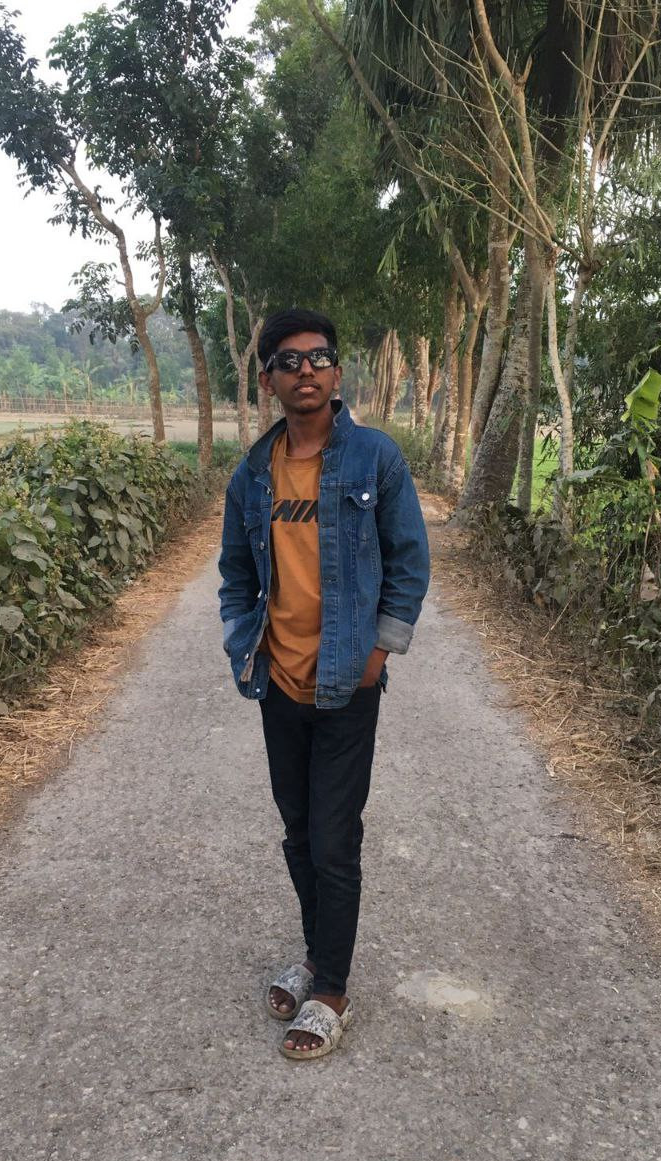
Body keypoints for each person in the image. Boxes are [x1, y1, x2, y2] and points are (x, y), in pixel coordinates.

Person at [218, 308, 430, 1060]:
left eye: (318, 358)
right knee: (299, 831)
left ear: (337, 373)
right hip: (278, 682)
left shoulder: (375, 458)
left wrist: (379, 653)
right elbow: (235, 574)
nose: (304, 371)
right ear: (268, 379)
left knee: (335, 840)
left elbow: (409, 561)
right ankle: (315, 956)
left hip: (346, 684)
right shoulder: (253, 473)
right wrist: (243, 644)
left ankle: (333, 988)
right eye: (288, 361)